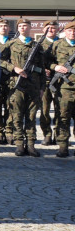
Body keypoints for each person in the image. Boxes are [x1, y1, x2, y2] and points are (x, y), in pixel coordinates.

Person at [0, 18, 47, 157]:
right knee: (17, 116)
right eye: (20, 26)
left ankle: (31, 145)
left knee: (31, 117)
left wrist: (42, 87)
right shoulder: (11, 44)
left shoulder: (36, 46)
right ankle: (19, 144)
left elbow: (42, 69)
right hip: (17, 85)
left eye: (25, 26)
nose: (23, 28)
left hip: (34, 86)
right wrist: (14, 68)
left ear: (30, 28)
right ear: (18, 28)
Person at [48, 21, 75, 157]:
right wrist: (55, 67)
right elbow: (46, 60)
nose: (73, 33)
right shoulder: (57, 45)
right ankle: (63, 146)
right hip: (63, 89)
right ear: (65, 31)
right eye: (70, 30)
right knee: (62, 117)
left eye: (74, 30)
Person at [39, 21, 59, 145]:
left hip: (60, 81)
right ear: (43, 30)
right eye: (48, 28)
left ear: (58, 29)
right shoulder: (39, 44)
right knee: (44, 110)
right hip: (44, 81)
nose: (50, 30)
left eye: (53, 28)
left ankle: (59, 134)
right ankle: (47, 134)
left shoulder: (62, 43)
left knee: (60, 110)